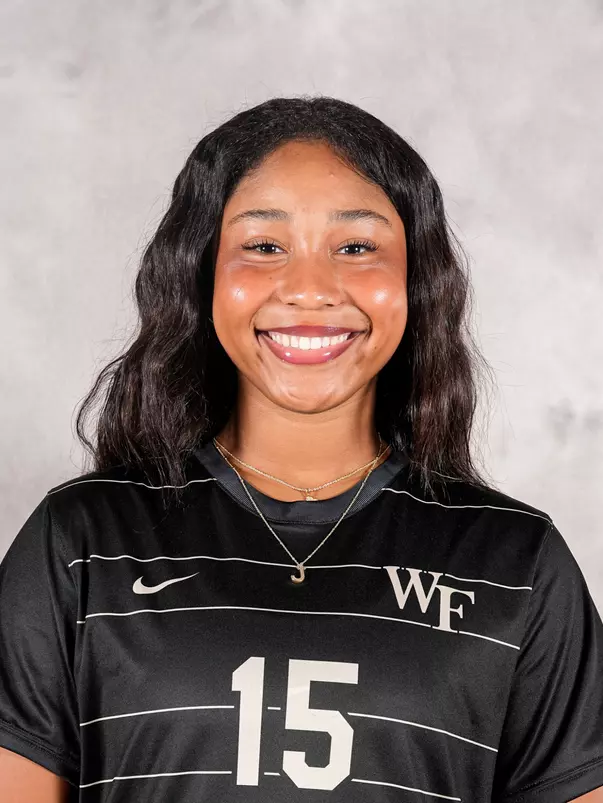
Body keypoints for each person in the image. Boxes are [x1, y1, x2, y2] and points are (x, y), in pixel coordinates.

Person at [0, 96, 602, 803]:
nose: (310, 290)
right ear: (202, 272)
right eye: (263, 246)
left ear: (415, 280)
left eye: (356, 247)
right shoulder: (79, 543)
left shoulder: (517, 563)